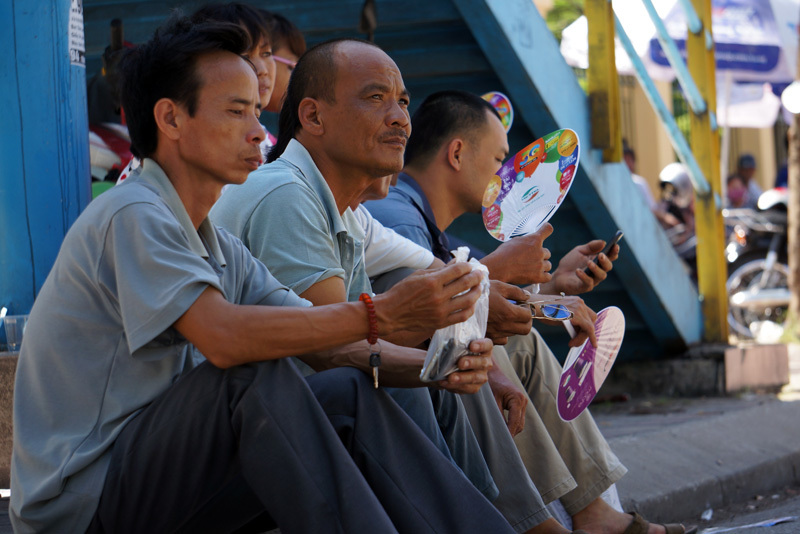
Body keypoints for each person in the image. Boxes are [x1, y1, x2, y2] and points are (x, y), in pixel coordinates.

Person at [10, 17, 516, 534]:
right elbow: (226, 340)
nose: (258, 131)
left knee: (354, 385)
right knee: (253, 372)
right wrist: (381, 313)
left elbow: (329, 348)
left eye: (256, 111)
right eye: (235, 112)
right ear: (171, 119)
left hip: (162, 478)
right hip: (84, 504)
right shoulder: (133, 213)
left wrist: (435, 367)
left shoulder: (216, 244)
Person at [212, 38, 579, 534]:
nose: (400, 117)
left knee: (434, 352)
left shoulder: (347, 211)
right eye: (375, 98)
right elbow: (335, 349)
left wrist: (510, 326)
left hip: (296, 414)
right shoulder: (286, 195)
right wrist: (446, 364)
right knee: (390, 371)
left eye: (403, 101)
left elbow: (446, 279)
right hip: (246, 437)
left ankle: (490, 520)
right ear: (314, 118)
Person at [365, 90, 691, 534]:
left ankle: (592, 513)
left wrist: (557, 287)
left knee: (517, 337)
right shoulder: (397, 217)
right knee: (486, 342)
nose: (505, 178)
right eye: (500, 161)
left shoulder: (420, 222)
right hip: (392, 380)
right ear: (457, 153)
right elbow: (437, 309)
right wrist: (509, 273)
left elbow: (484, 287)